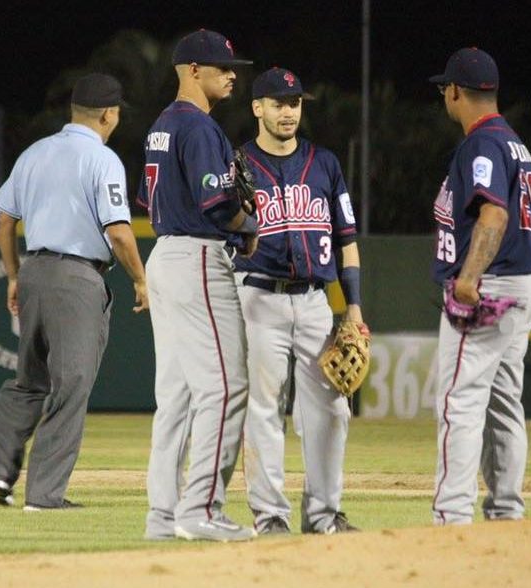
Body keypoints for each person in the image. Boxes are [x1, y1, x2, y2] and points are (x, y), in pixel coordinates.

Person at [0, 73, 147, 510]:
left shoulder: (35, 152)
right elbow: (119, 232)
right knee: (70, 386)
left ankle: (0, 473)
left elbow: (2, 218)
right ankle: (45, 494)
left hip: (34, 269)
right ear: (109, 114)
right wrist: (140, 279)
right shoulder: (102, 159)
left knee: (27, 383)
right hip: (77, 279)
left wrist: (15, 275)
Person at [138, 29, 259, 542]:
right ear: (191, 70)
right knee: (226, 387)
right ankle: (202, 509)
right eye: (221, 67)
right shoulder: (200, 128)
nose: (232, 74)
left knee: (179, 395)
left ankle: (163, 516)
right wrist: (249, 226)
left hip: (165, 254)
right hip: (197, 258)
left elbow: (152, 201)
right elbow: (219, 207)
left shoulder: (161, 126)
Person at [234, 67, 364, 535]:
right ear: (257, 108)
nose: (288, 111)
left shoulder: (324, 164)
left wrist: (353, 307)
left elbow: (347, 238)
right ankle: (270, 516)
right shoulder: (238, 165)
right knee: (264, 409)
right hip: (259, 298)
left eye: (294, 103)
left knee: (332, 410)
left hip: (314, 301)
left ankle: (324, 514)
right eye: (278, 103)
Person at [427, 48, 531, 525]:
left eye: (444, 89)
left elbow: (493, 214)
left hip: (491, 284)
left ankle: (452, 516)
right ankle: (506, 511)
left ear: (455, 91)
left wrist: (469, 279)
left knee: (460, 398)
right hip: (522, 284)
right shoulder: (515, 143)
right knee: (501, 401)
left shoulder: (483, 144)